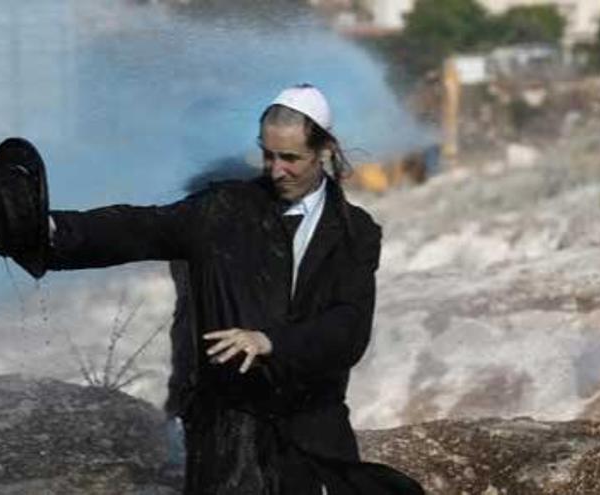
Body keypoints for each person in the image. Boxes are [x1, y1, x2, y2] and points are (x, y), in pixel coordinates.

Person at [43, 84, 423, 494]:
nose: (276, 170)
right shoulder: (223, 207)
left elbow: (348, 329)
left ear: (324, 151)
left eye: (290, 158)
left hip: (314, 435)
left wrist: (270, 341)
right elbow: (140, 227)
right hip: (229, 435)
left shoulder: (356, 232)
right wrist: (50, 231)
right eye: (268, 155)